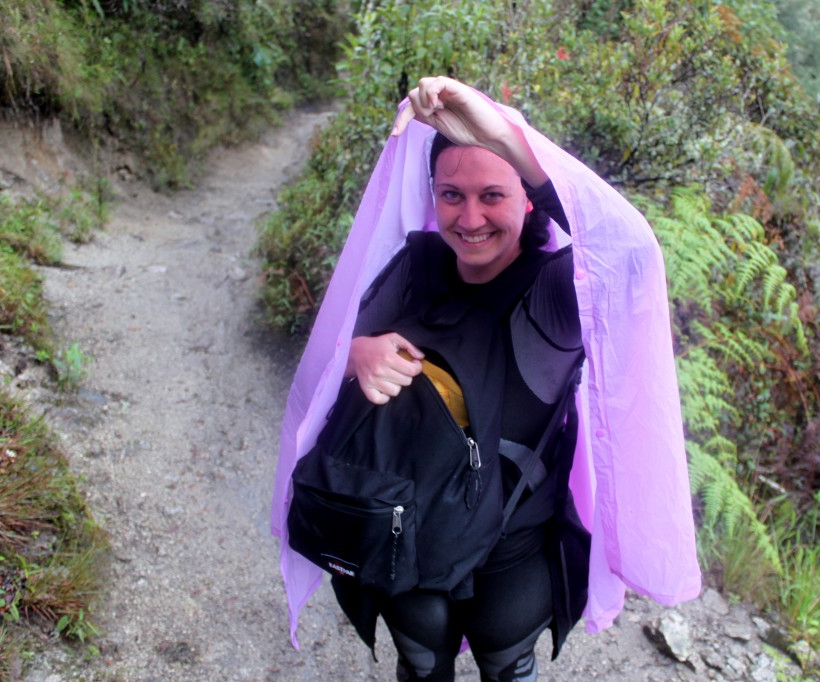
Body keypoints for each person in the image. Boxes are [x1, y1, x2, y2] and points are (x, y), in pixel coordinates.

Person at [271, 77, 700, 680]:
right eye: (451, 195)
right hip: (408, 528)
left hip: (515, 545)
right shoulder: (416, 264)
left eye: (492, 195)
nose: (470, 218)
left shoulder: (555, 292)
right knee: (422, 662)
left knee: (507, 663)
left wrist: (504, 134)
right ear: (432, 196)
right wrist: (357, 354)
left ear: (528, 199)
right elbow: (325, 357)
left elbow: (629, 254)